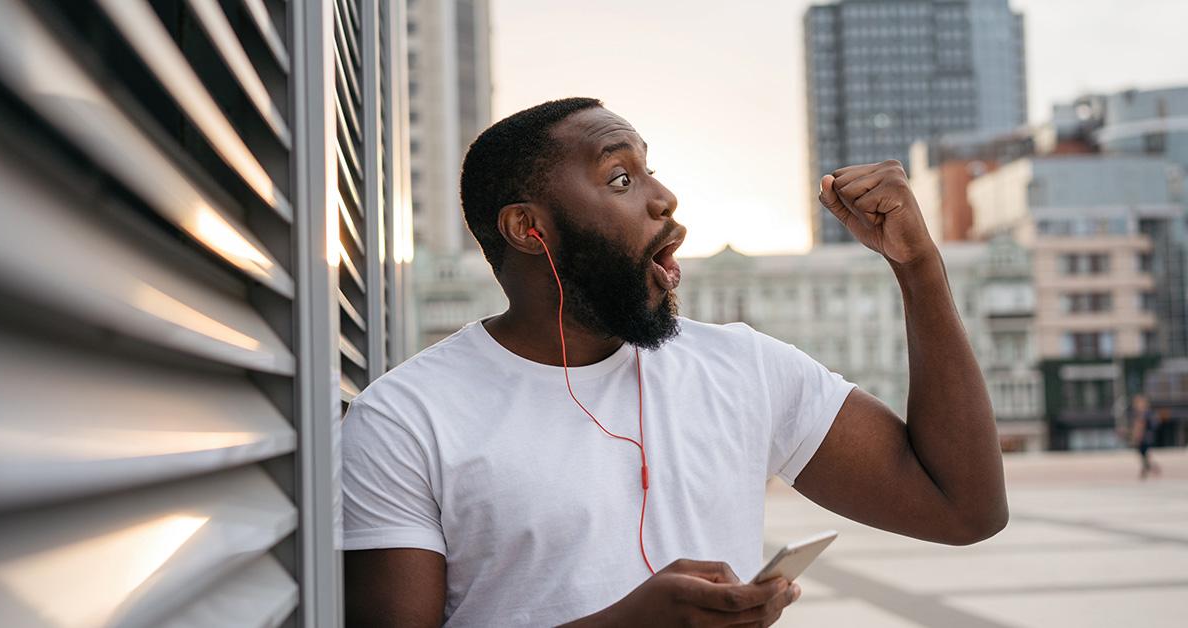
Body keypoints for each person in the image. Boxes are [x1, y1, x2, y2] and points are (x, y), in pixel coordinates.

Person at [342, 98, 1008, 627]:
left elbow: (962, 510)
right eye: (622, 178)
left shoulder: (744, 368)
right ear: (529, 228)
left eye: (651, 170)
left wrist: (917, 267)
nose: (664, 198)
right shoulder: (404, 420)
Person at [1130, 393, 1162, 479]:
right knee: (1144, 456)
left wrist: (1136, 438)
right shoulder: (1147, 413)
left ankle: (1147, 469)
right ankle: (1148, 469)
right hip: (1147, 437)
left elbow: (1140, 426)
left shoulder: (1143, 414)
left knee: (1143, 455)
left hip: (1144, 438)